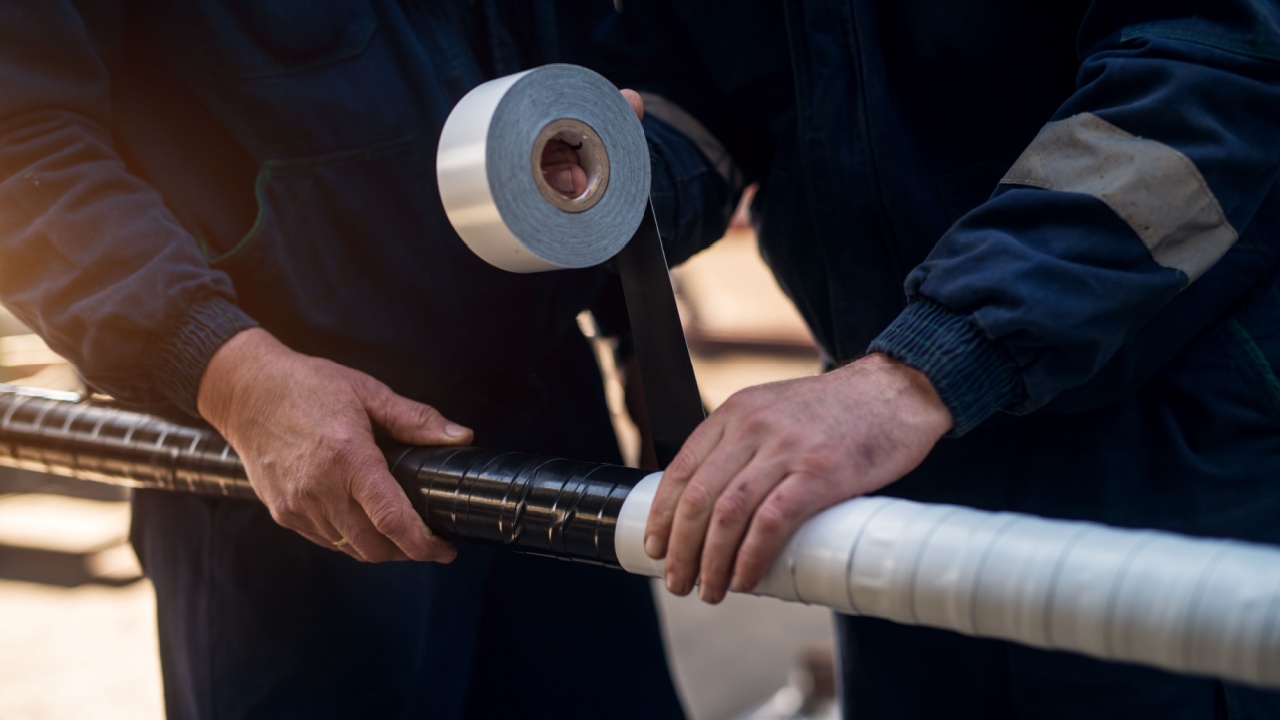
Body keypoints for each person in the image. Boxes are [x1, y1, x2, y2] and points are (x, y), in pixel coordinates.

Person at [0, 2, 685, 718]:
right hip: (293, 453)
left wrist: (637, 327)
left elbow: (588, 75)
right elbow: (21, 136)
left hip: (555, 422)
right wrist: (229, 374)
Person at [599, 1, 1280, 717]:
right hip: (893, 461)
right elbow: (700, 90)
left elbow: (1204, 68)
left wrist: (924, 367)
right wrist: (609, 178)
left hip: (1168, 435)